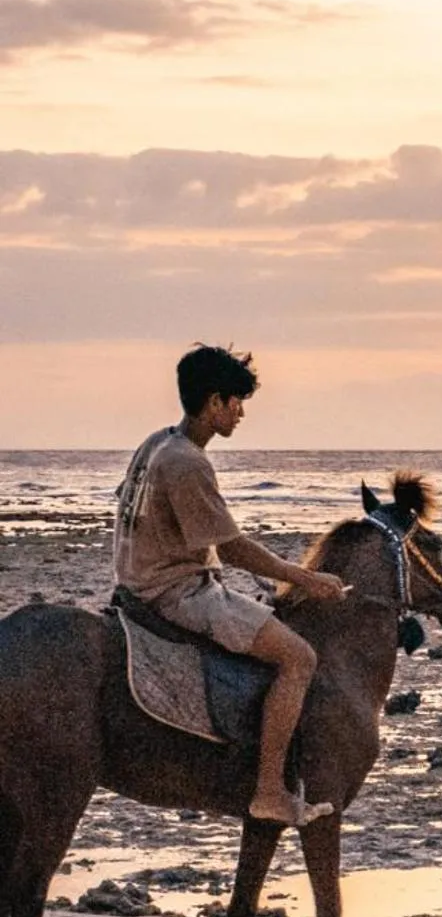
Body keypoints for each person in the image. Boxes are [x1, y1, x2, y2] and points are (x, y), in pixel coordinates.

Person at [113, 345, 349, 826]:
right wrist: (305, 578)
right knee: (299, 658)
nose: (241, 413)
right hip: (176, 594)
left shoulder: (157, 442)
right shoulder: (187, 461)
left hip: (138, 581)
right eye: (236, 402)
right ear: (214, 402)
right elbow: (232, 547)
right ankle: (269, 792)